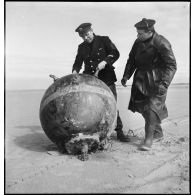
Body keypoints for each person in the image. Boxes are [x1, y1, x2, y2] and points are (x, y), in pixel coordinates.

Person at [121, 18, 177, 150]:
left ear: (149, 31)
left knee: (151, 109)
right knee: (142, 108)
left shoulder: (161, 42)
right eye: (137, 33)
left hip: (157, 80)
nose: (137, 35)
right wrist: (126, 76)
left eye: (140, 33)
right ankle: (157, 133)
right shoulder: (138, 42)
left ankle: (148, 140)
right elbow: (131, 60)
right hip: (140, 79)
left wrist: (164, 83)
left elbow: (172, 65)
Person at [72, 22, 130, 142]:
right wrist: (74, 72)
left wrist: (105, 61)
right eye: (82, 36)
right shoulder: (81, 47)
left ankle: (119, 132)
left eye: (87, 34)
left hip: (106, 79)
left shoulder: (104, 40)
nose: (85, 38)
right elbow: (78, 62)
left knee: (112, 105)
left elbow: (115, 53)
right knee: (90, 106)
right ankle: (93, 130)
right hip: (90, 81)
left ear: (91, 30)